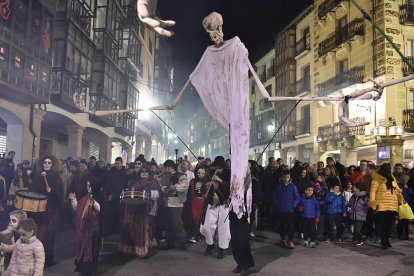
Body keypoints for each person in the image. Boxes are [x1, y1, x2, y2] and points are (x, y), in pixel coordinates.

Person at [29, 154, 64, 267]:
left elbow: (60, 194)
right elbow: (32, 189)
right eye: (45, 162)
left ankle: (48, 258)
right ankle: (37, 259)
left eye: (49, 163)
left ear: (52, 164)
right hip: (39, 210)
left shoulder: (56, 177)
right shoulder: (38, 176)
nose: (47, 164)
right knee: (39, 234)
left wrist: (51, 192)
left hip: (51, 211)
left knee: (49, 235)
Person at [121, 164, 159, 258]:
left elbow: (157, 194)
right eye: (142, 171)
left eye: (146, 171)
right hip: (132, 208)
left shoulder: (152, 182)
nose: (144, 173)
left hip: (146, 209)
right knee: (130, 228)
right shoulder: (135, 181)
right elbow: (128, 191)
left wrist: (149, 193)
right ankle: (131, 248)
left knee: (143, 230)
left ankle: (142, 249)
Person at [200, 156, 231, 259]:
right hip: (211, 202)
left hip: (223, 203)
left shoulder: (228, 172)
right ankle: (210, 244)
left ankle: (222, 248)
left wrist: (220, 181)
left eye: (219, 167)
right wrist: (207, 185)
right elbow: (203, 186)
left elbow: (230, 187)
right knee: (207, 226)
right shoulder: (210, 172)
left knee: (224, 227)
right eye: (216, 166)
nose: (217, 168)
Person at [69, 180, 100, 275]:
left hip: (93, 230)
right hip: (84, 230)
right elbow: (78, 210)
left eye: (90, 186)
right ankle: (84, 269)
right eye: (87, 186)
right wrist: (73, 200)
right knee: (84, 249)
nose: (88, 188)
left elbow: (100, 210)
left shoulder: (98, 196)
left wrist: (93, 202)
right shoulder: (84, 198)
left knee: (92, 251)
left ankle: (91, 270)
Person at [370, 163, 402, 249]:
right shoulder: (377, 179)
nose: (392, 170)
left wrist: (399, 190)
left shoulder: (392, 178)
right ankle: (384, 242)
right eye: (391, 168)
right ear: (386, 169)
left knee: (390, 225)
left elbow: (397, 188)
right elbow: (373, 192)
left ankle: (386, 239)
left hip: (393, 205)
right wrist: (373, 202)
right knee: (383, 225)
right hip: (381, 205)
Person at [161, 160, 188, 250]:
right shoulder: (165, 175)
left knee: (177, 223)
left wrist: (175, 187)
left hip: (176, 202)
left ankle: (182, 241)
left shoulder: (181, 175)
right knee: (168, 223)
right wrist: (165, 188)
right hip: (167, 201)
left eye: (166, 167)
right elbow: (162, 186)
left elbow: (184, 186)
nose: (165, 169)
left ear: (170, 167)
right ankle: (169, 242)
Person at [273, 169, 300, 249]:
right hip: (281, 210)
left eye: (288, 177)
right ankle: (283, 239)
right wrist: (277, 205)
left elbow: (297, 197)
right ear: (282, 177)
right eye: (285, 177)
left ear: (290, 177)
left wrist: (293, 205)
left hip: (290, 210)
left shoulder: (293, 186)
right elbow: (274, 197)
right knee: (282, 225)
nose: (286, 179)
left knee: (290, 226)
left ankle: (291, 241)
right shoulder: (278, 186)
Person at [103, 157, 127, 236]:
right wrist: (109, 194)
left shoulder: (124, 173)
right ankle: (111, 229)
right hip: (112, 196)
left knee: (120, 213)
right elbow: (107, 184)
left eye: (118, 163)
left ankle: (118, 229)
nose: (117, 165)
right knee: (111, 213)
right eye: (116, 163)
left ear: (121, 163)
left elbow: (125, 185)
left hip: (121, 196)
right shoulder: (110, 173)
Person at [0, 210, 28, 274]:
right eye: (10, 220)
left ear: (21, 223)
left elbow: (16, 247)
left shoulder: (20, 236)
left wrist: (3, 247)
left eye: (14, 220)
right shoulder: (8, 232)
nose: (10, 222)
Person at [188, 167, 209, 243]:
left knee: (201, 218)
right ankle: (194, 234)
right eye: (199, 172)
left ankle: (198, 235)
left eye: (202, 173)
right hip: (195, 201)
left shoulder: (206, 181)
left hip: (203, 201)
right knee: (194, 218)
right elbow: (190, 192)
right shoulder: (192, 181)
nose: (200, 174)